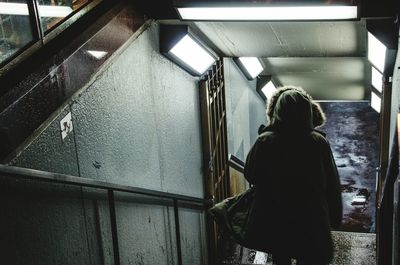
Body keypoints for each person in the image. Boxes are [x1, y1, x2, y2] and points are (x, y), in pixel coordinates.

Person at [244, 86, 342, 265]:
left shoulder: (265, 141)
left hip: (278, 217)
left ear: (278, 110)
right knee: (310, 257)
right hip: (311, 216)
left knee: (281, 258)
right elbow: (332, 182)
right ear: (307, 112)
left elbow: (251, 174)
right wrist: (335, 216)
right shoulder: (318, 142)